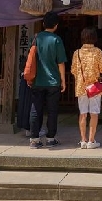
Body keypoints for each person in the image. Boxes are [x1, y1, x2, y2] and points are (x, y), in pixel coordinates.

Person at [29, 11, 67, 148]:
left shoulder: (36, 38)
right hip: (53, 81)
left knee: (35, 109)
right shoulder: (56, 40)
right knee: (52, 110)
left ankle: (34, 139)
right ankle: (50, 138)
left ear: (43, 23)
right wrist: (63, 80)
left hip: (37, 80)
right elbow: (61, 62)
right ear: (56, 25)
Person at [70, 26, 102, 149]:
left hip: (81, 87)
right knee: (94, 113)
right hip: (94, 88)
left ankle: (83, 140)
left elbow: (73, 70)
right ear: (94, 38)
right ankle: (92, 141)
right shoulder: (98, 52)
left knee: (83, 113)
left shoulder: (77, 53)